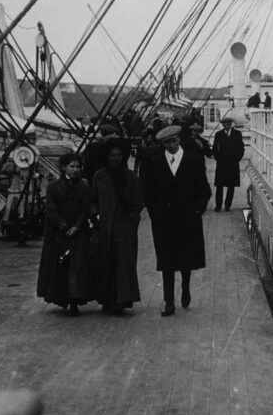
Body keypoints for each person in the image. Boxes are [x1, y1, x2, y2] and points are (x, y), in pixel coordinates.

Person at [141, 125, 211, 316]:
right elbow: (148, 192)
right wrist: (155, 214)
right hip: (164, 221)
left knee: (186, 259)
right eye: (166, 142)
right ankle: (169, 300)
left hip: (188, 218)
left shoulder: (193, 161)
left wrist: (197, 211)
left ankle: (186, 288)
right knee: (167, 261)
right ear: (162, 144)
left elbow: (204, 190)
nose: (171, 145)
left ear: (179, 139)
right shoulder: (155, 163)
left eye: (173, 141)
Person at [89, 140, 143, 314]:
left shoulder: (130, 177)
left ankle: (122, 300)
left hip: (124, 227)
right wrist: (95, 216)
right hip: (104, 226)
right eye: (112, 156)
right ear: (107, 157)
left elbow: (138, 201)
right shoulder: (99, 176)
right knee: (105, 262)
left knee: (123, 264)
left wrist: (132, 221)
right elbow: (93, 199)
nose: (116, 159)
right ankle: (106, 299)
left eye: (119, 155)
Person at [36, 152, 90, 316]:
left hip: (78, 232)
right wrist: (63, 226)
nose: (75, 170)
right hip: (58, 233)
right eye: (72, 166)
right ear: (64, 167)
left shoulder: (84, 186)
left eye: (78, 167)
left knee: (77, 266)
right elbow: (50, 210)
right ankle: (63, 298)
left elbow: (84, 209)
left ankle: (75, 300)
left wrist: (77, 226)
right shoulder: (53, 187)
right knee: (60, 266)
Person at [211, 116, 244, 211]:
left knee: (231, 186)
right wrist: (218, 159)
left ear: (231, 124)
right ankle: (218, 206)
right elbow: (214, 149)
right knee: (219, 186)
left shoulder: (237, 134)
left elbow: (241, 148)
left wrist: (237, 159)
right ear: (222, 125)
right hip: (221, 163)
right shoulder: (218, 134)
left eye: (228, 123)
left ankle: (227, 206)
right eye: (224, 123)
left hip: (233, 163)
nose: (226, 125)